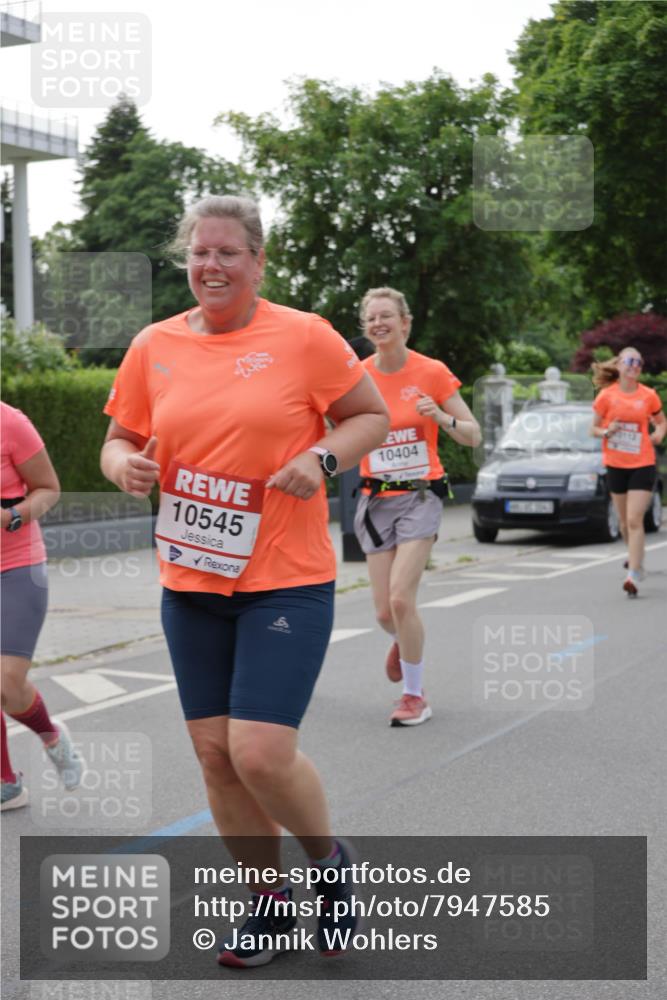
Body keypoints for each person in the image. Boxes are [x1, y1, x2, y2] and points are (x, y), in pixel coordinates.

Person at [100, 194, 389, 967]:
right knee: (214, 755)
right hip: (191, 578)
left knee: (258, 751)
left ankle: (328, 866)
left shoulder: (304, 337)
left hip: (285, 577)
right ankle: (267, 909)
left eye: (229, 252)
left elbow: (370, 416)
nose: (212, 265)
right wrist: (121, 464)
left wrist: (320, 457)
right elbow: (119, 435)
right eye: (200, 252)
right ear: (186, 259)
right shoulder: (153, 345)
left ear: (258, 260)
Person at [353, 287, 481, 726]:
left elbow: (472, 434)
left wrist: (440, 417)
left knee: (402, 601)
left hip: (420, 496)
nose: (379, 324)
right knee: (384, 612)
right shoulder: (357, 376)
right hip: (373, 500)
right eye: (371, 318)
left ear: (405, 323)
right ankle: (405, 644)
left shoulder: (432, 372)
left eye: (387, 316)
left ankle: (414, 696)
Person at [1, 402, 84, 810]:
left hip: (16, 567)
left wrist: (11, 515)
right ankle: (5, 784)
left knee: (5, 682)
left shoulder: (10, 423)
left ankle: (52, 737)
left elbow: (49, 489)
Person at [590, 347, 666, 596]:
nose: (634, 366)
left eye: (638, 362)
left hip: (642, 463)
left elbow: (661, 421)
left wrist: (658, 433)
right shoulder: (606, 396)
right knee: (624, 524)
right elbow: (593, 429)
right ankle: (636, 559)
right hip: (615, 464)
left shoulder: (648, 395)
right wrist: (606, 431)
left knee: (634, 519)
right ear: (619, 365)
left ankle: (633, 573)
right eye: (629, 362)